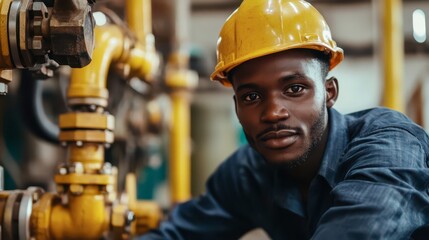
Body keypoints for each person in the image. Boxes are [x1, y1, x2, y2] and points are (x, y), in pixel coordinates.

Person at [140, 0, 429, 239]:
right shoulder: (247, 173)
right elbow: (177, 234)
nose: (272, 113)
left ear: (329, 93)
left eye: (294, 89)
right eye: (251, 97)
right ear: (236, 105)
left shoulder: (390, 144)